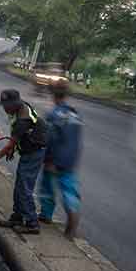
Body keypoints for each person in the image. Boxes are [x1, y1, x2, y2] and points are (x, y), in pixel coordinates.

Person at [0, 89, 47, 234]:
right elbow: (17, 139)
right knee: (19, 184)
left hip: (34, 152)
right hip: (28, 149)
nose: (5, 108)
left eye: (7, 105)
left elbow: (11, 142)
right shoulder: (18, 110)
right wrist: (14, 149)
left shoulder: (22, 120)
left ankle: (32, 223)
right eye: (4, 105)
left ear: (15, 103)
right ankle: (17, 217)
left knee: (24, 187)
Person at [38, 88, 83, 239]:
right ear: (66, 96)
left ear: (54, 97)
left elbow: (49, 139)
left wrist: (48, 159)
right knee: (69, 191)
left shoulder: (53, 115)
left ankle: (46, 214)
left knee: (47, 187)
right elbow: (75, 141)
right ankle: (72, 221)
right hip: (70, 160)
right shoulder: (75, 115)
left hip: (55, 158)